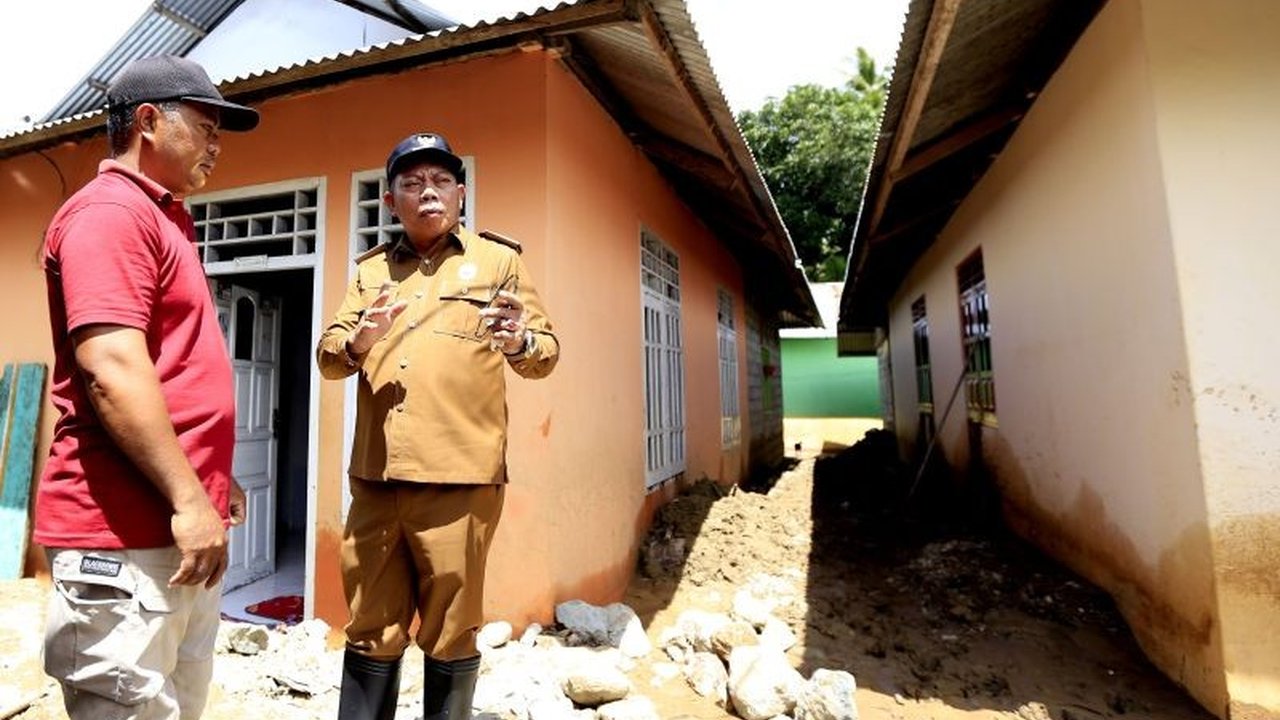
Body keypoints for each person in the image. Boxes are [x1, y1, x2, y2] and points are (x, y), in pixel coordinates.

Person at [36, 55, 259, 719]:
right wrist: (191, 499)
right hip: (120, 535)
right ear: (150, 121)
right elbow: (112, 368)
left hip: (172, 531)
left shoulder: (164, 218)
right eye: (207, 126)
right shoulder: (110, 213)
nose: (217, 145)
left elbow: (172, 368)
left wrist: (216, 480)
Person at [317, 133, 559, 720]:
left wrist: (519, 339)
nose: (429, 192)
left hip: (460, 482)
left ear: (461, 193)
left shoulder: (499, 262)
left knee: (452, 631)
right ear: (390, 201)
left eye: (442, 180)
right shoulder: (370, 270)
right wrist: (359, 340)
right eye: (412, 182)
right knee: (371, 625)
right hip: (377, 482)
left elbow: (545, 353)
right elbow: (328, 356)